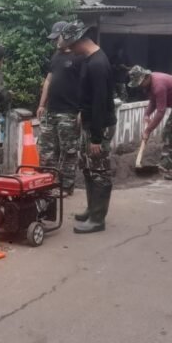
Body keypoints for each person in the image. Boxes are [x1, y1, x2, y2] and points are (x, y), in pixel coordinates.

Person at [55, 23, 116, 234]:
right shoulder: (90, 59)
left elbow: (100, 102)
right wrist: (83, 113)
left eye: (73, 45)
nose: (72, 50)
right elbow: (90, 96)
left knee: (99, 171)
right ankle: (92, 209)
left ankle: (98, 219)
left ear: (81, 41)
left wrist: (97, 138)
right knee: (89, 168)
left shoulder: (97, 64)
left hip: (99, 126)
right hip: (90, 123)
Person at [37, 21, 84, 196]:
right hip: (51, 111)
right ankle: (47, 184)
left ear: (67, 36)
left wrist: (82, 110)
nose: (55, 41)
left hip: (69, 112)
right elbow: (48, 80)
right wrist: (42, 104)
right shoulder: (56, 55)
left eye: (58, 38)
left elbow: (85, 84)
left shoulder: (79, 57)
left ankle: (66, 187)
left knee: (68, 151)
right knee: (47, 150)